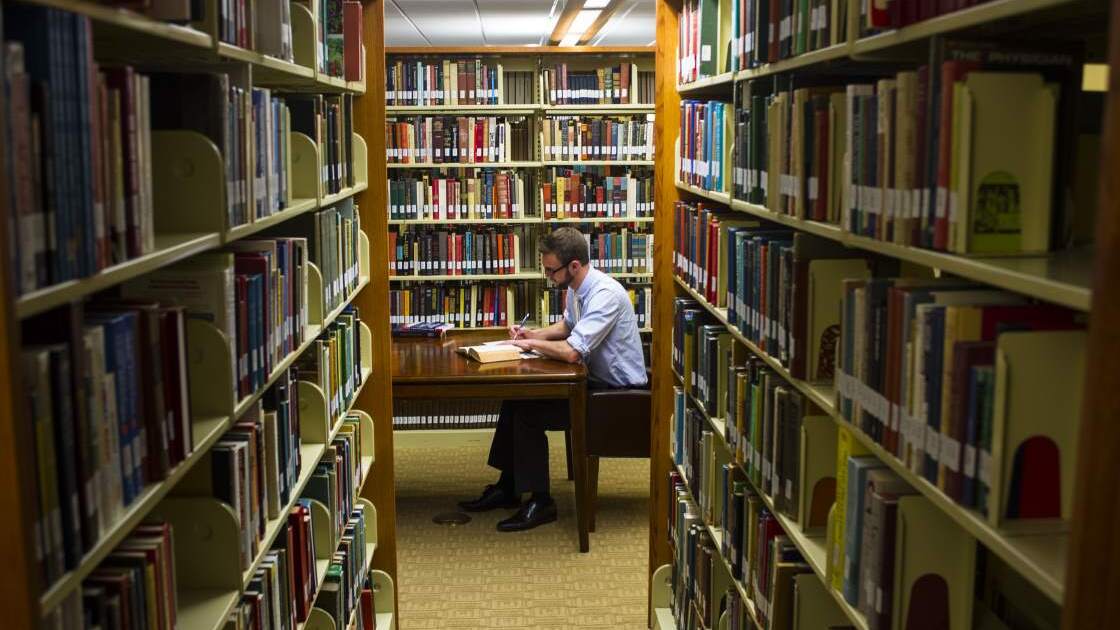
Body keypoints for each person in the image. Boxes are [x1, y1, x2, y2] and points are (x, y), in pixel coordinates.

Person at [458, 227, 648, 531]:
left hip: (616, 394)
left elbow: (573, 351)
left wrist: (529, 345)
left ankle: (542, 501)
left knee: (529, 415)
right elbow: (568, 326)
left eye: (550, 270)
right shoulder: (576, 287)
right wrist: (533, 334)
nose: (548, 276)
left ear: (574, 265)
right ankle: (509, 487)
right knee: (516, 400)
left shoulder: (605, 295)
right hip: (593, 380)